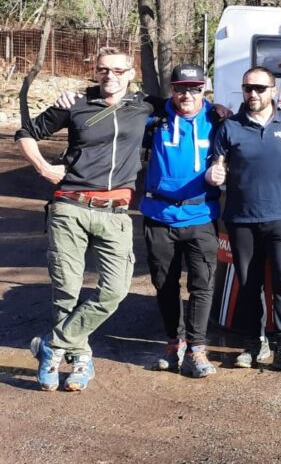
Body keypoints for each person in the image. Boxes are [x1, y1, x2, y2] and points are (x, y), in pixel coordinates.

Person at [16, 47, 157, 391]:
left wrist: (221, 109)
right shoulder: (75, 103)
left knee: (115, 290)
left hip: (115, 212)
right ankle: (79, 358)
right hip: (70, 207)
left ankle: (52, 344)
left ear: (131, 74)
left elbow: (189, 105)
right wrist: (44, 168)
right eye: (103, 70)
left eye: (118, 70)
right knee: (66, 290)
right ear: (96, 72)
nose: (110, 76)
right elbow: (25, 133)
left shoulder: (145, 105)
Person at [206, 66, 281, 373]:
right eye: (248, 88)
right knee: (249, 284)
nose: (253, 93)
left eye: (259, 88)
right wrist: (215, 173)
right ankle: (253, 344)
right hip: (242, 219)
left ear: (273, 90)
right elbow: (217, 163)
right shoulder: (230, 127)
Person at [140, 64, 222, 378]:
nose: (187, 95)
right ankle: (174, 344)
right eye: (180, 88)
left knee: (202, 285)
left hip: (201, 215)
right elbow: (117, 108)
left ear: (204, 90)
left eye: (194, 89)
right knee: (165, 285)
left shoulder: (218, 120)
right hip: (159, 215)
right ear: (171, 90)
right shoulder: (155, 118)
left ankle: (197, 349)